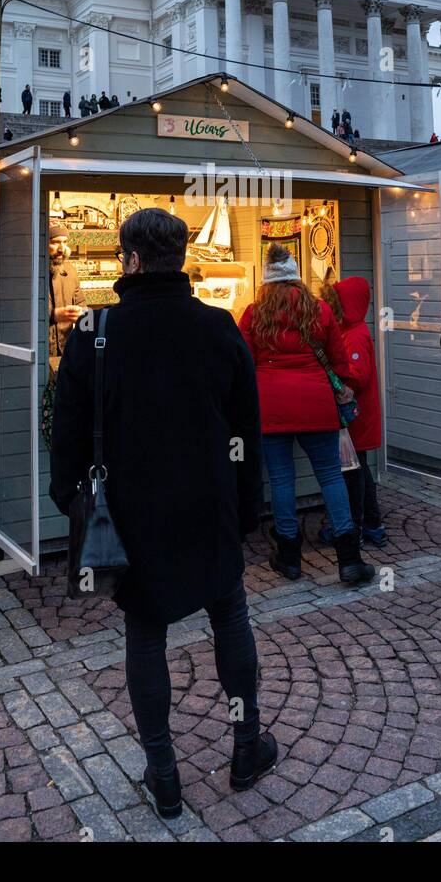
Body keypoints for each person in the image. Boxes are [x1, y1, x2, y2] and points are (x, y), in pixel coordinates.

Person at [49, 208, 275, 819]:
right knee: (229, 616)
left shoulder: (96, 330)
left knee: (145, 633)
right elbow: (245, 427)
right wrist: (248, 505)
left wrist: (67, 496)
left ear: (130, 259)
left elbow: (65, 422)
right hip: (209, 501)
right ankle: (246, 742)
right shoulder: (218, 326)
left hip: (131, 507)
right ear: (182, 259)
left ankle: (163, 770)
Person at [239, 245, 375, 586]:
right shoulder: (321, 310)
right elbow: (338, 359)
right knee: (330, 476)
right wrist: (342, 385)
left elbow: (242, 359)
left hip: (270, 402)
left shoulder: (254, 313)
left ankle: (289, 557)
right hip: (316, 400)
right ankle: (349, 559)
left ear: (266, 281)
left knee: (282, 479)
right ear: (297, 278)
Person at [318, 277, 386, 547]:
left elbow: (356, 377)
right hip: (359, 416)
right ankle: (373, 525)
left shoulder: (355, 334)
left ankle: (352, 529)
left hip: (355, 418)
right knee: (360, 470)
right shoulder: (352, 330)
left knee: (352, 473)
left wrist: (328, 375)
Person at [48, 222, 86, 360]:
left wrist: (90, 336)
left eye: (64, 242)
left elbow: (82, 304)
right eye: (55, 242)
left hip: (66, 350)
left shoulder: (70, 271)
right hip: (40, 349)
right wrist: (52, 315)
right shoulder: (31, 273)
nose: (61, 249)